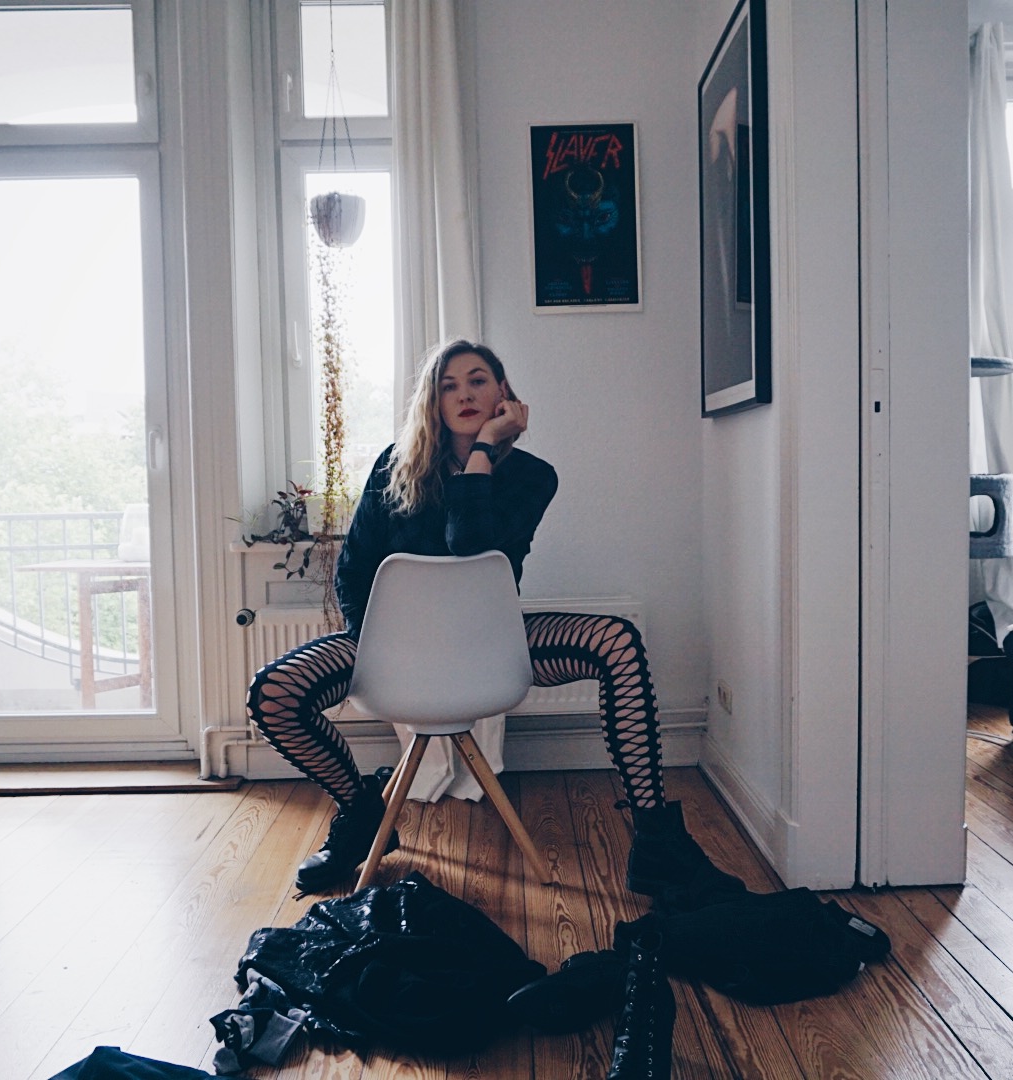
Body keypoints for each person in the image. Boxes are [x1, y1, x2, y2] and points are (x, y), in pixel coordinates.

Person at [247, 339, 746, 900]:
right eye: (448, 384)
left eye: (478, 380)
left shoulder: (533, 477)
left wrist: (484, 449)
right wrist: (377, 650)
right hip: (391, 648)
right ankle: (362, 813)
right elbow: (354, 571)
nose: (463, 394)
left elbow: (471, 543)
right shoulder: (394, 468)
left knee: (617, 642)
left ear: (503, 394)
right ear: (431, 401)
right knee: (271, 694)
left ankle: (657, 842)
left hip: (488, 647)